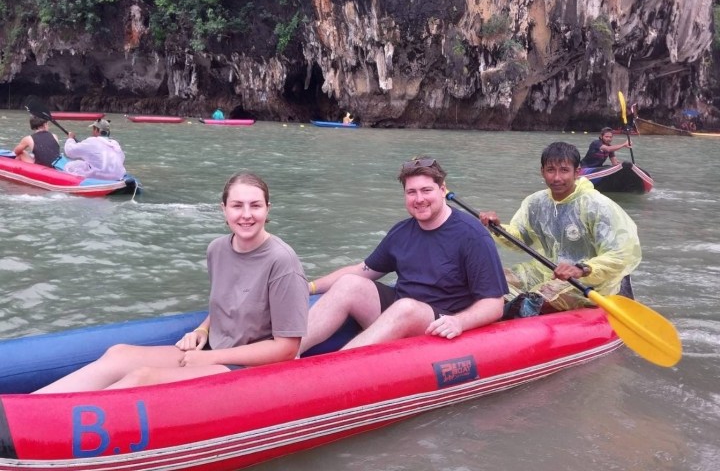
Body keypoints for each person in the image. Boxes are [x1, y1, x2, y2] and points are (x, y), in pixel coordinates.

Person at [34, 172, 309, 393]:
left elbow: (286, 349)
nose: (246, 214)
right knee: (118, 355)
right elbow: (227, 303)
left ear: (267, 209)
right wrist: (202, 331)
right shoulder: (217, 249)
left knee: (142, 378)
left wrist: (210, 358)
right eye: (237, 205)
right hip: (216, 350)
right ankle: (27, 410)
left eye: (255, 205)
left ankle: (42, 430)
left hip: (256, 370)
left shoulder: (282, 262)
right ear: (223, 209)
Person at [298, 156, 508, 355]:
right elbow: (361, 270)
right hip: (401, 310)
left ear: (442, 190)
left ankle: (336, 368)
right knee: (349, 284)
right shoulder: (401, 232)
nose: (419, 199)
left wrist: (460, 322)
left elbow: (494, 304)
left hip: (441, 320)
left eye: (426, 190)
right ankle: (288, 353)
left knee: (406, 308)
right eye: (412, 192)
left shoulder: (472, 235)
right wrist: (309, 287)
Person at [479, 142, 642, 318]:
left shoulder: (597, 205)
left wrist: (582, 269)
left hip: (587, 280)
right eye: (551, 170)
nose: (557, 178)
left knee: (534, 301)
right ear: (542, 171)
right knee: (492, 280)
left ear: (577, 172)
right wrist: (496, 227)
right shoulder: (536, 203)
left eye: (564, 170)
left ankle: (512, 314)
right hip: (546, 270)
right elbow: (520, 240)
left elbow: (620, 254)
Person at [63, 119, 127, 180]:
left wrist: (70, 139)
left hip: (100, 177)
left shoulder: (91, 141)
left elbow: (69, 151)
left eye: (93, 129)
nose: (93, 132)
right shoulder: (115, 144)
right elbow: (122, 159)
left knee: (69, 166)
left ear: (97, 130)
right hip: (118, 176)